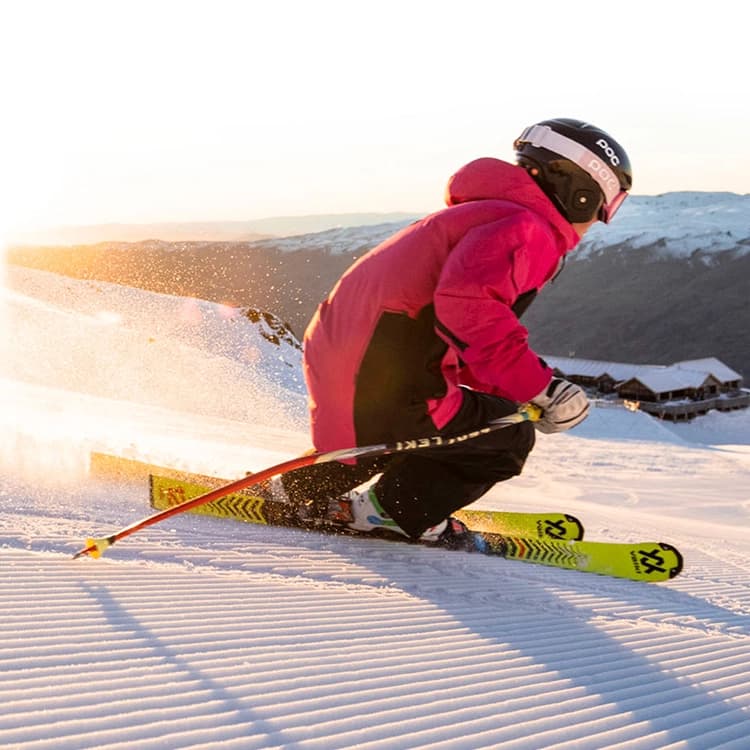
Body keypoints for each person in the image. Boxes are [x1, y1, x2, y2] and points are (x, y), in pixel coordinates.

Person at [279, 118, 633, 544]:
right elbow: (470, 309)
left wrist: (514, 390)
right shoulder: (527, 229)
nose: (600, 220)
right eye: (606, 206)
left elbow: (454, 329)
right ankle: (390, 513)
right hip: (386, 367)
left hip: (357, 358)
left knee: (393, 438)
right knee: (505, 437)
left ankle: (296, 490)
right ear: (581, 191)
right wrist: (541, 388)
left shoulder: (485, 214)